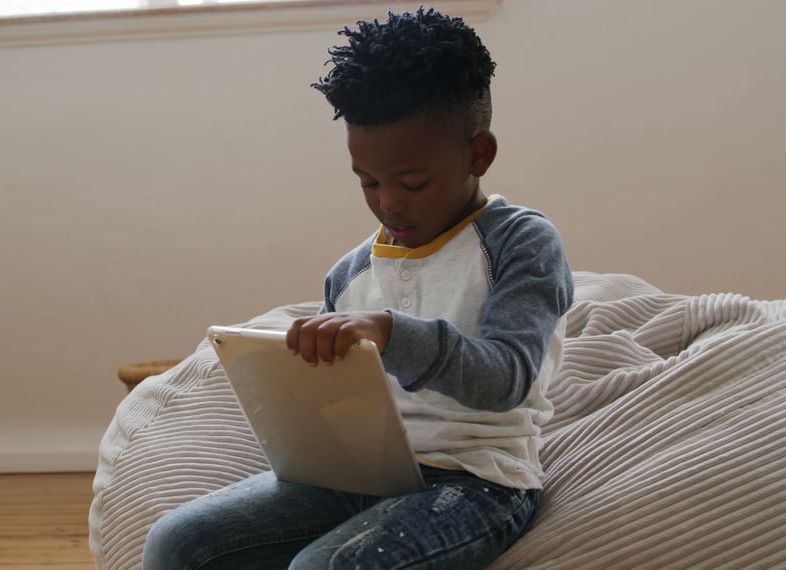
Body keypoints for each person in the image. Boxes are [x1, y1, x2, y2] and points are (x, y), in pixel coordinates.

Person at [142, 7, 573, 569]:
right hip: (358, 473)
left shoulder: (521, 242)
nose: (389, 203)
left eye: (412, 182)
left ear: (478, 153)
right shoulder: (349, 273)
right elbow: (336, 402)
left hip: (478, 483)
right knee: (175, 542)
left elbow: (507, 378)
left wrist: (393, 334)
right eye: (368, 182)